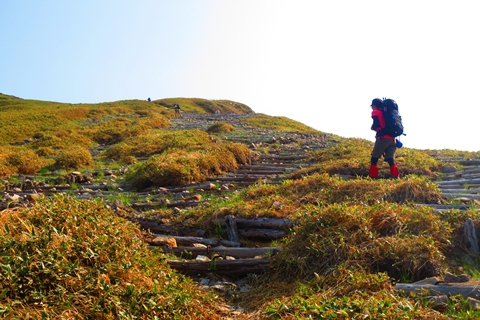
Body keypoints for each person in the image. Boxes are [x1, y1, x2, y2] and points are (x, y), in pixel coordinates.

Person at [369, 98, 399, 179]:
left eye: (372, 106)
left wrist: (372, 127)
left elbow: (376, 124)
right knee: (390, 159)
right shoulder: (387, 113)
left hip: (383, 138)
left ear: (374, 106)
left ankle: (373, 177)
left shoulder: (376, 112)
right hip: (393, 139)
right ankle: (395, 177)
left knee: (374, 158)